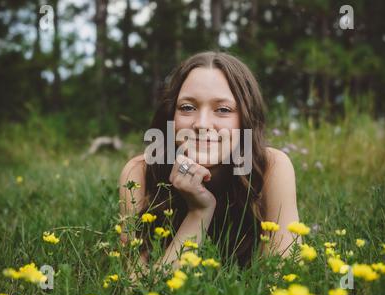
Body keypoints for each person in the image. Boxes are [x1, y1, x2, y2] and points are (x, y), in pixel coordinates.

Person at [119, 51, 300, 276]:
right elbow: (135, 287)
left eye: (223, 110)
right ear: (171, 115)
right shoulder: (141, 172)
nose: (202, 124)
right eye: (187, 107)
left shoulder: (272, 166)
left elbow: (283, 276)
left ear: (245, 119)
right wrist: (199, 212)